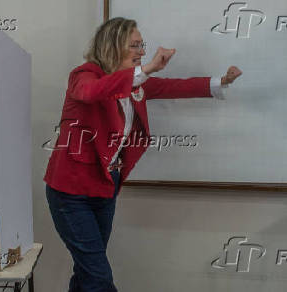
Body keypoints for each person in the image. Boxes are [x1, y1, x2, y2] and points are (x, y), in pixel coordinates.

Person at [43, 17, 242, 292]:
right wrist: (147, 69)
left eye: (142, 45)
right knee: (98, 277)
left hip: (105, 188)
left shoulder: (137, 86)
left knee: (88, 271)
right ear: (112, 45)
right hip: (70, 193)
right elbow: (92, 93)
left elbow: (176, 87)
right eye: (134, 45)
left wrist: (221, 81)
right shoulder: (84, 75)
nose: (141, 51)